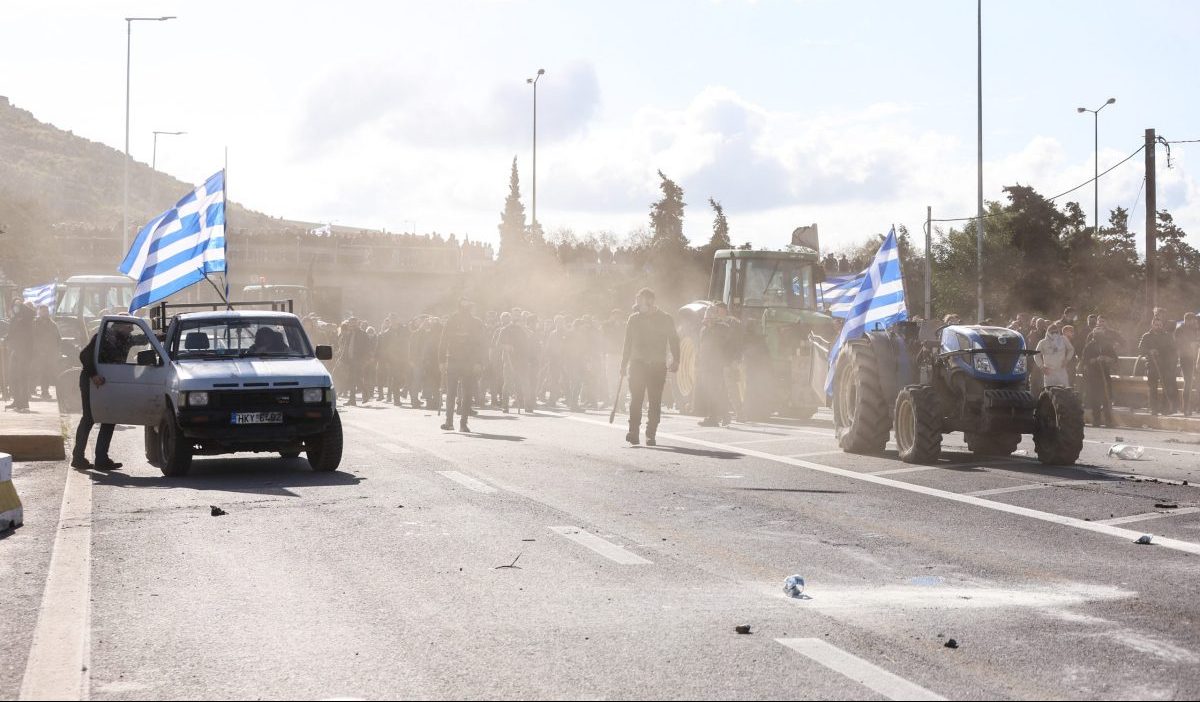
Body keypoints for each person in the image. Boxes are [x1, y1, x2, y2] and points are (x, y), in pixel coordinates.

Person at [72, 324, 138, 470]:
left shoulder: (125, 338)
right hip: (92, 381)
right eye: (129, 327)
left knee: (109, 418)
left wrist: (160, 335)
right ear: (120, 326)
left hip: (108, 382)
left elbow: (143, 339)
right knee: (89, 418)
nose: (132, 330)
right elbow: (84, 355)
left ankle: (101, 459)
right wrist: (94, 374)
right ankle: (78, 458)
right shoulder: (103, 337)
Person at [620, 288, 680, 446]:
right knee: (636, 400)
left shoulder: (666, 318)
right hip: (637, 364)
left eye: (640, 300)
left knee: (654, 401)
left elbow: (674, 340)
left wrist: (677, 359)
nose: (637, 303)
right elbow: (627, 343)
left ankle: (650, 433)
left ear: (650, 301)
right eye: (637, 300)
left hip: (657, 365)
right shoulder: (633, 319)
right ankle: (633, 431)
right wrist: (623, 364)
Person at [438, 300, 486, 432]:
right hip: (454, 360)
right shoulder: (451, 321)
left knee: (465, 394)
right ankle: (451, 422)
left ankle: (462, 423)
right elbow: (443, 341)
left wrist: (479, 362)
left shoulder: (476, 323)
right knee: (453, 393)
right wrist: (441, 360)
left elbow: (481, 345)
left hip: (468, 361)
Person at [695, 304, 733, 427]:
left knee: (717, 391)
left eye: (711, 316)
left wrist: (728, 362)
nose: (708, 319)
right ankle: (714, 416)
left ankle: (721, 416)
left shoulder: (723, 329)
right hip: (706, 365)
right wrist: (699, 362)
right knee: (710, 391)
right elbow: (701, 348)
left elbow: (727, 346)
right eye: (707, 317)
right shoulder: (703, 330)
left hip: (717, 365)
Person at [1139, 317, 1179, 416]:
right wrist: (1149, 351)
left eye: (1160, 325)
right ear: (1152, 325)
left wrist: (1169, 359)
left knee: (1166, 388)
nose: (1158, 327)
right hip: (1152, 365)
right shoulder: (1146, 336)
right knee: (1152, 389)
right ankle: (1154, 409)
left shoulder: (1167, 336)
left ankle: (1165, 409)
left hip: (1165, 366)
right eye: (1156, 325)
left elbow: (1174, 350)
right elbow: (1141, 349)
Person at [1081, 331, 1117, 427]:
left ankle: (1108, 420)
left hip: (1105, 375)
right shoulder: (1089, 346)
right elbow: (1084, 361)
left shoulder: (1108, 346)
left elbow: (1114, 359)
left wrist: (1106, 358)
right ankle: (1096, 420)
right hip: (1093, 376)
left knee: (1106, 398)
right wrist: (1095, 360)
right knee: (1095, 399)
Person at [4, 299, 34, 411]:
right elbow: (12, 333)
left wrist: (20, 303)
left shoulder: (26, 318)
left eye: (18, 305)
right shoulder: (14, 319)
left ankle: (23, 403)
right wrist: (6, 338)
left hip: (24, 352)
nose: (16, 307)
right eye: (14, 305)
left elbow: (32, 313)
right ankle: (16, 401)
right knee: (13, 377)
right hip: (15, 351)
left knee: (22, 377)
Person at [32, 304, 61, 400]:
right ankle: (31, 389)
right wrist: (38, 350)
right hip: (37, 353)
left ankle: (45, 391)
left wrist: (57, 351)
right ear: (39, 312)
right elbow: (33, 338)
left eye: (46, 311)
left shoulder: (53, 324)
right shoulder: (34, 323)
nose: (45, 313)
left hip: (50, 354)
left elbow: (58, 339)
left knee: (47, 373)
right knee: (35, 372)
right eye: (43, 311)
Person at [1035, 322, 1074, 388]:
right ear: (1048, 332)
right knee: (1049, 392)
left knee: (1065, 391)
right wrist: (1042, 367)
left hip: (1061, 370)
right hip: (1049, 372)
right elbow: (1036, 355)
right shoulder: (1043, 342)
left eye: (1056, 332)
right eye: (1052, 332)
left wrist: (1067, 360)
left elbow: (1071, 349)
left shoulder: (1063, 339)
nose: (1054, 334)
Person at [1176, 313, 1200, 416]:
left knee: (1196, 383)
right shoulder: (1179, 330)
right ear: (1187, 320)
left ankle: (1195, 407)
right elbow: (1178, 344)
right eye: (1193, 321)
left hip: (1195, 359)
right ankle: (1186, 408)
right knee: (1188, 383)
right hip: (1185, 359)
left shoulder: (1194, 329)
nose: (1194, 323)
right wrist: (1191, 344)